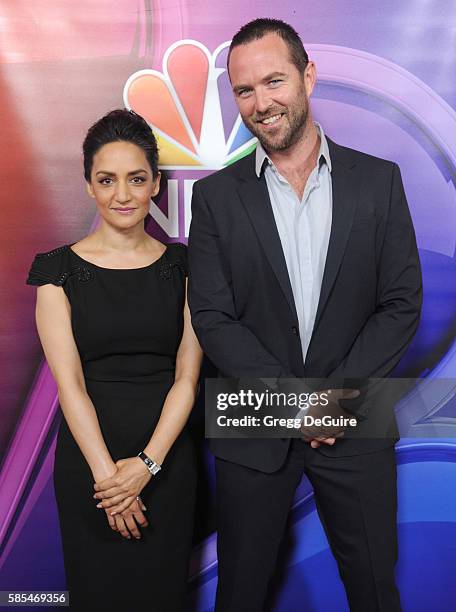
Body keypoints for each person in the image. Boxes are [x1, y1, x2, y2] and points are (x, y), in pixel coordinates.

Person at [188, 18, 422, 612]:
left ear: (307, 76)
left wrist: (333, 401)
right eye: (244, 90)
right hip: (252, 425)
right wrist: (298, 403)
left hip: (355, 424)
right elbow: (213, 318)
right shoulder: (215, 198)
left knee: (374, 592)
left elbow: (400, 305)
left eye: (274, 81)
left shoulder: (378, 182)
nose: (261, 103)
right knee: (238, 594)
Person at [27, 109, 202, 611]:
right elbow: (70, 387)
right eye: (107, 180)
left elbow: (187, 380)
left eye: (136, 179)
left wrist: (146, 466)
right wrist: (111, 482)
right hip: (91, 468)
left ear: (155, 185)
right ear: (88, 185)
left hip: (166, 463)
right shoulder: (55, 271)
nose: (122, 195)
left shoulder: (185, 266)